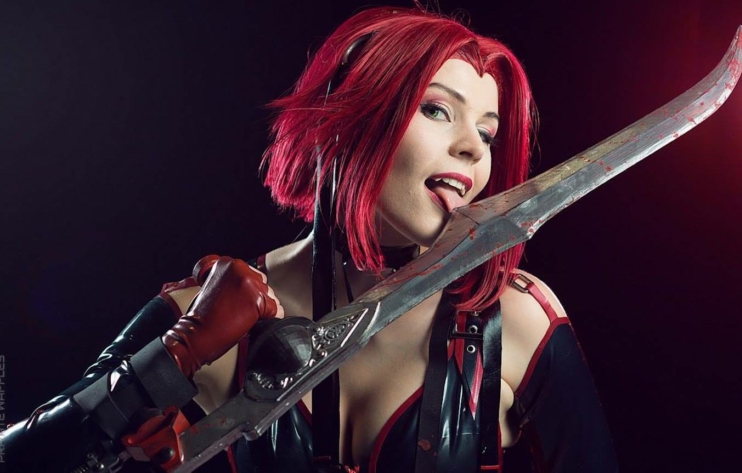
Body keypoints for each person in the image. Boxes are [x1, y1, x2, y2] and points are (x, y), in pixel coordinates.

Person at [0, 6, 617, 472]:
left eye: (487, 132)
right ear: (350, 119)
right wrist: (178, 354)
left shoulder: (515, 319)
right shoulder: (207, 313)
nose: (472, 150)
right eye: (437, 109)